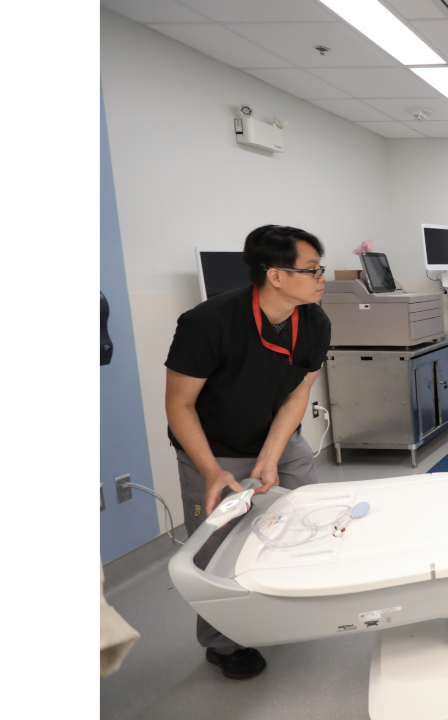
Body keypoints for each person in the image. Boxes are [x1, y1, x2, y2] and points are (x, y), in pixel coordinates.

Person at [165, 225, 331, 679]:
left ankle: (287, 605)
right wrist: (211, 471)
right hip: (212, 447)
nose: (321, 278)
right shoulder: (209, 322)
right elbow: (179, 406)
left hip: (278, 439)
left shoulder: (313, 320)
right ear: (275, 275)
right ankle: (223, 643)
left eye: (321, 268)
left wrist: (272, 455)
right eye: (312, 269)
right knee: (218, 546)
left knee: (306, 520)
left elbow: (298, 395)